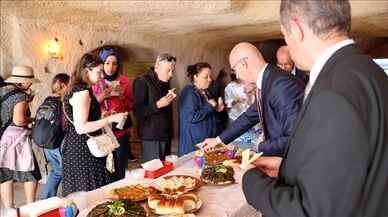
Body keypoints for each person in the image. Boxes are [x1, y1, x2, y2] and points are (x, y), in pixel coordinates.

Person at [234, 1, 388, 216]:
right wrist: (287, 169)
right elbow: (349, 167)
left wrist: (251, 181)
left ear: (296, 30)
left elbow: (311, 210)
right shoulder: (369, 71)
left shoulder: (332, 91)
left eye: (285, 36)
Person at [201, 42, 304, 156]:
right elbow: (248, 117)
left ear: (243, 64)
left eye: (235, 70)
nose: (237, 75)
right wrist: (218, 140)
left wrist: (261, 146)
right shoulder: (269, 80)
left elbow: (295, 138)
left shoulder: (281, 84)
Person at [62, 53, 127, 196]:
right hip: (84, 148)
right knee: (92, 192)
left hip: (77, 146)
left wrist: (103, 115)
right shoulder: (82, 92)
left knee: (86, 192)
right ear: (86, 71)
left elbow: (82, 117)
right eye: (99, 72)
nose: (101, 76)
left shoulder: (80, 88)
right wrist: (110, 120)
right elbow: (81, 127)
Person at [0, 65, 41, 207]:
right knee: (30, 173)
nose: (30, 84)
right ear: (22, 81)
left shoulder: (2, 91)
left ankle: (9, 210)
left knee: (5, 175)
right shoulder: (20, 96)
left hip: (2, 140)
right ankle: (31, 207)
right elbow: (19, 120)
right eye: (29, 81)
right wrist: (33, 119)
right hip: (17, 140)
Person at [92, 47, 135, 180]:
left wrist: (122, 96)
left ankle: (120, 192)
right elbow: (90, 107)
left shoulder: (125, 81)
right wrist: (103, 96)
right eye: (107, 63)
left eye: (115, 63)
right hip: (101, 130)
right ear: (102, 63)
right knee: (104, 166)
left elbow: (130, 106)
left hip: (120, 129)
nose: (111, 67)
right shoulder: (95, 80)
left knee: (120, 164)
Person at [133, 53, 176, 162]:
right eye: (168, 70)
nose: (171, 75)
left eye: (172, 71)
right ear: (157, 66)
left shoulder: (165, 82)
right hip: (151, 136)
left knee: (165, 172)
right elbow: (138, 112)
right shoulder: (142, 81)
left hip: (165, 135)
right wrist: (158, 104)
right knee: (154, 173)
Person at [178, 62, 225, 156]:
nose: (210, 79)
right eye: (206, 77)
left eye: (210, 76)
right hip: (193, 144)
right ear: (195, 76)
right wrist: (210, 106)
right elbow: (191, 117)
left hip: (205, 142)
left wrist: (216, 110)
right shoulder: (189, 93)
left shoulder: (205, 91)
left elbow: (206, 114)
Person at [39, 73, 69, 199]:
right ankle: (68, 201)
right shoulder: (62, 102)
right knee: (65, 172)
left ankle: (45, 200)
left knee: (57, 171)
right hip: (58, 142)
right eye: (69, 84)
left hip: (46, 143)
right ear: (63, 85)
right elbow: (65, 124)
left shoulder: (47, 100)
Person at [224, 73, 261, 150]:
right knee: (239, 138)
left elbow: (255, 101)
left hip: (250, 116)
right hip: (236, 117)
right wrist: (236, 100)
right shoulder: (230, 87)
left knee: (252, 139)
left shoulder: (249, 84)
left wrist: (250, 96)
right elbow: (228, 103)